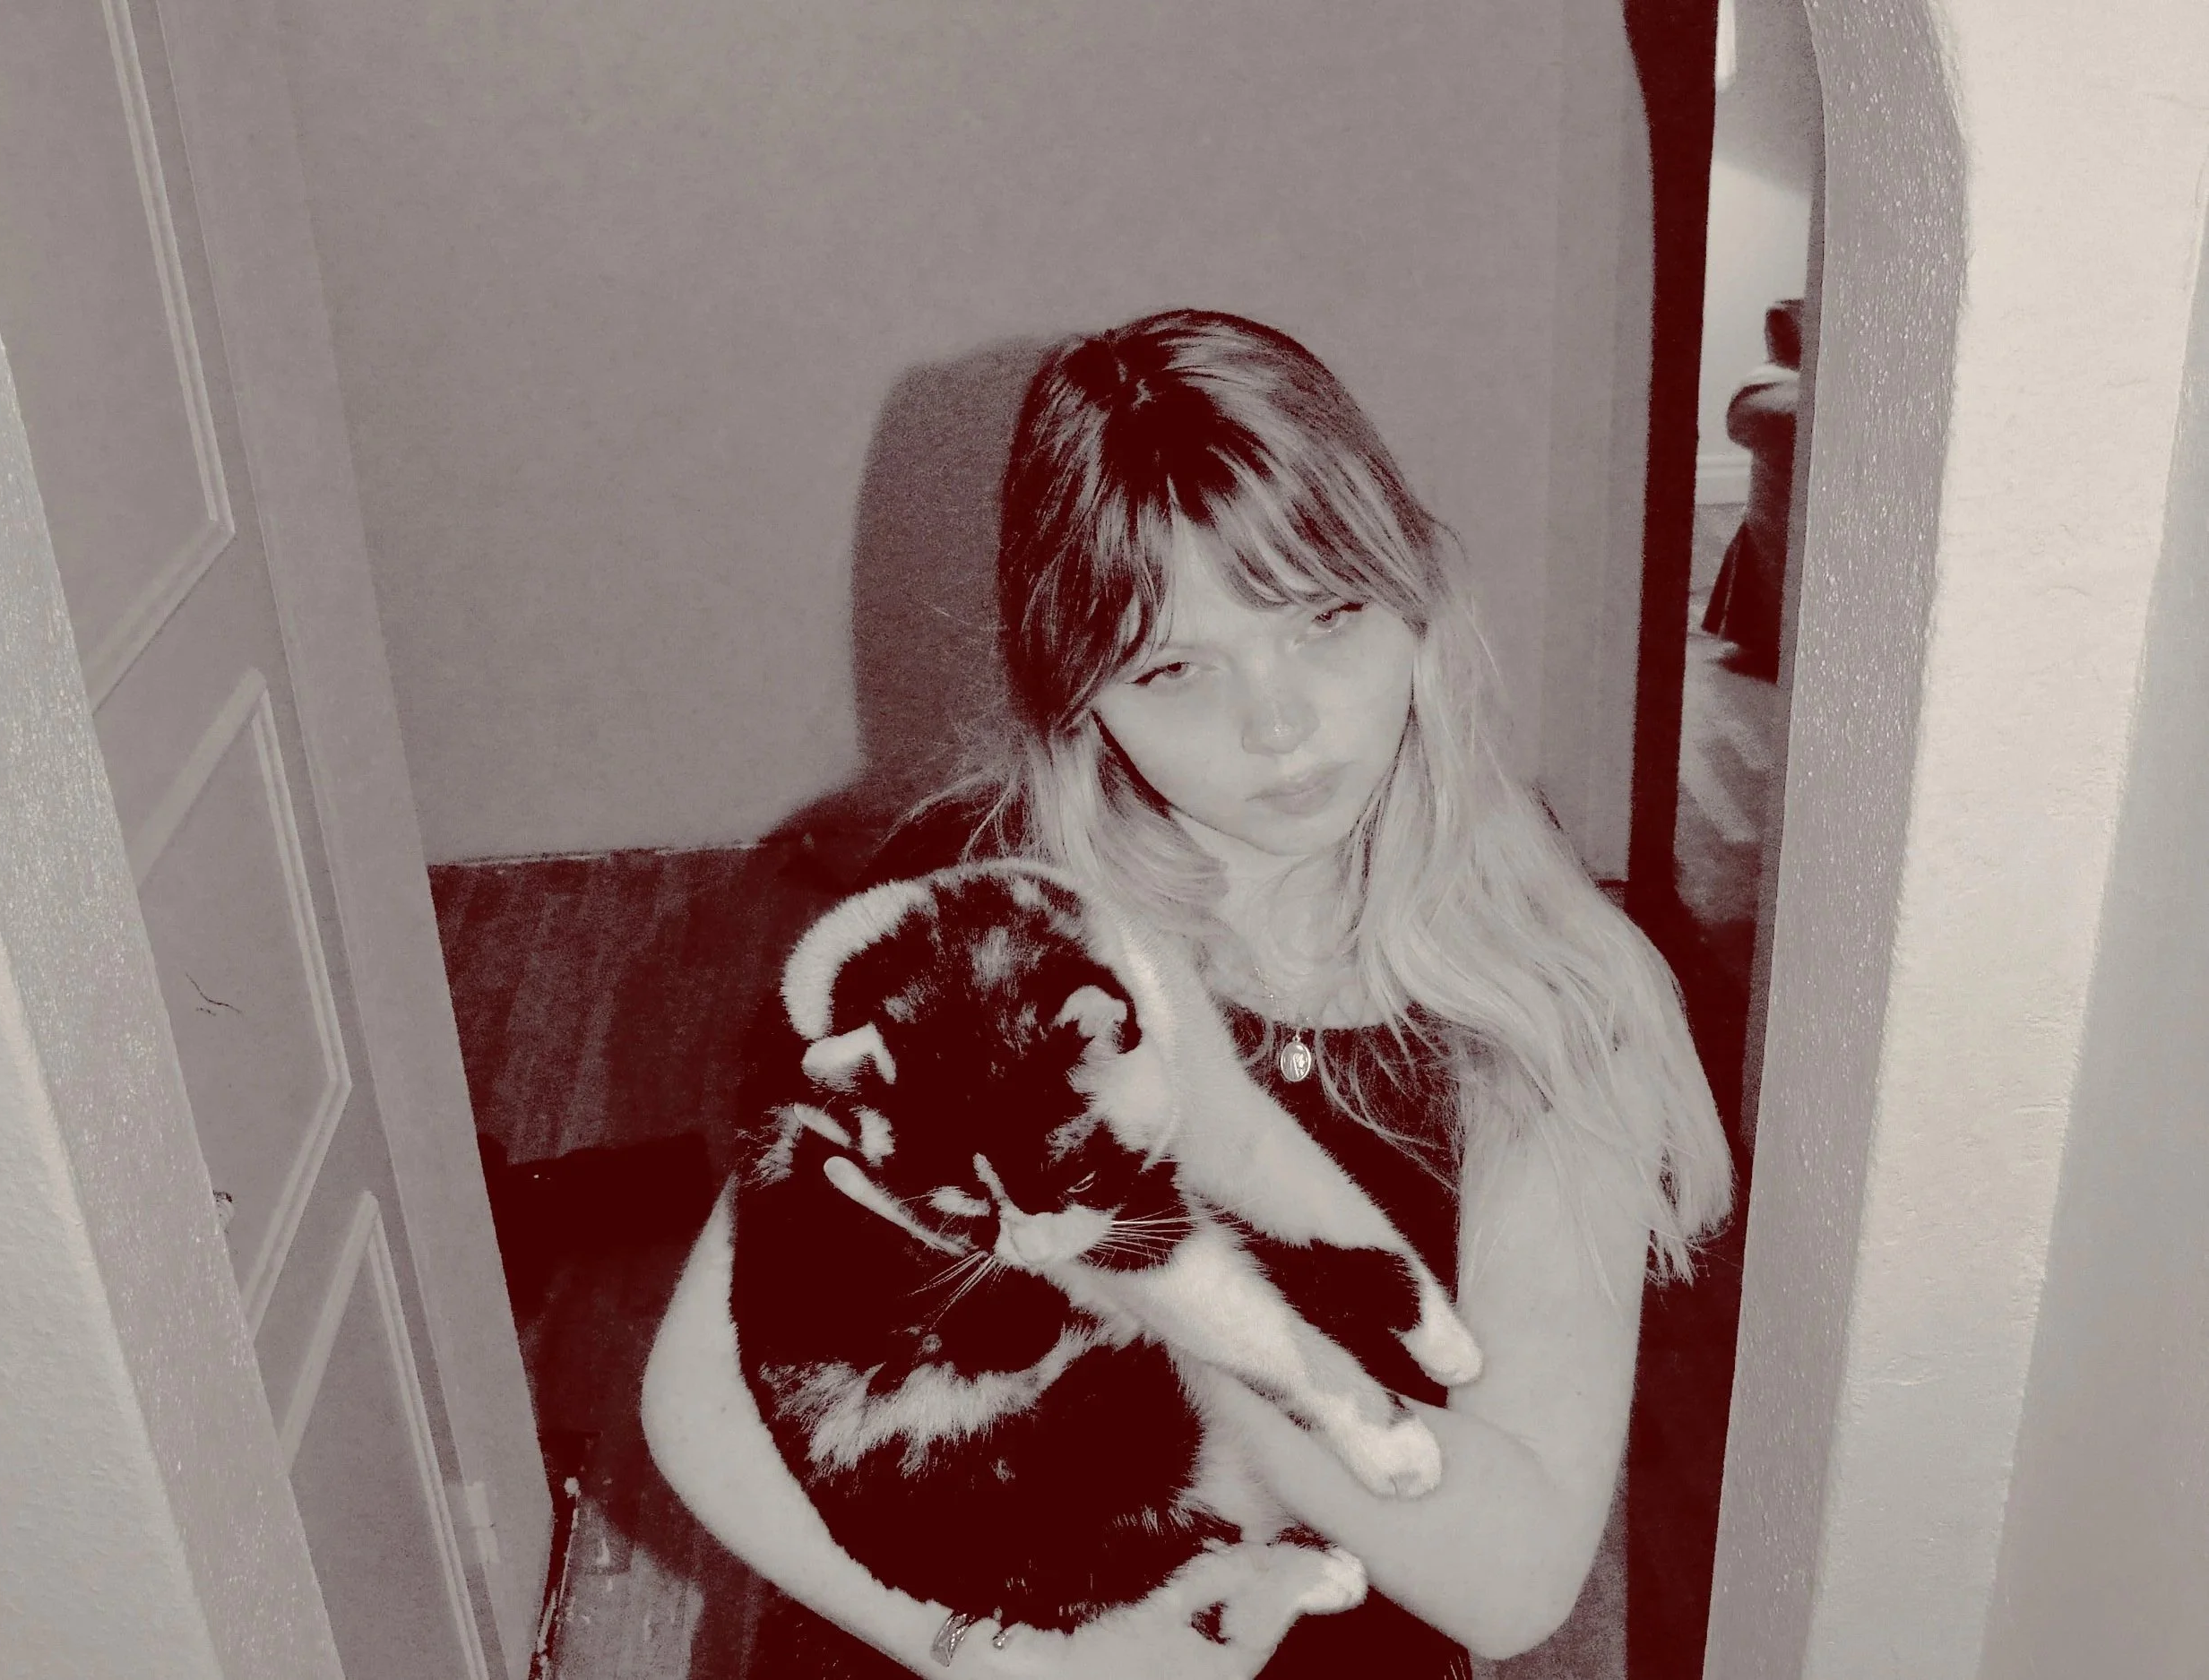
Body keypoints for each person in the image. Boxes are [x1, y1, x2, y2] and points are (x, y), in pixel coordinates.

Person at [641, 308, 1732, 1678]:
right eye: (1174, 667)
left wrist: (1174, 1278)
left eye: (1326, 617)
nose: (1278, 723)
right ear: (1077, 695)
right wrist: (1005, 1660)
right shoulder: (984, 919)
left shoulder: (1544, 996)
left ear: (1416, 594)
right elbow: (705, 1396)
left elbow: (1514, 1580)